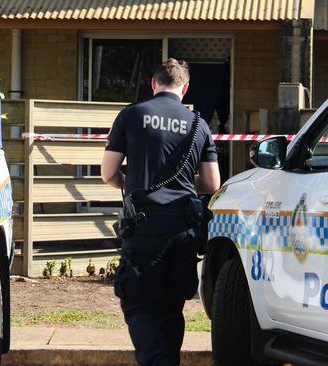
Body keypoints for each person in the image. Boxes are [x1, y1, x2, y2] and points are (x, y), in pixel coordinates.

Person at [101, 58, 220, 366]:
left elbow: (108, 172)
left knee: (138, 302)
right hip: (183, 227)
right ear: (185, 88)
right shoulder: (199, 124)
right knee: (171, 306)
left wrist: (134, 183)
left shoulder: (132, 115)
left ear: (153, 84)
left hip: (143, 227)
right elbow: (211, 182)